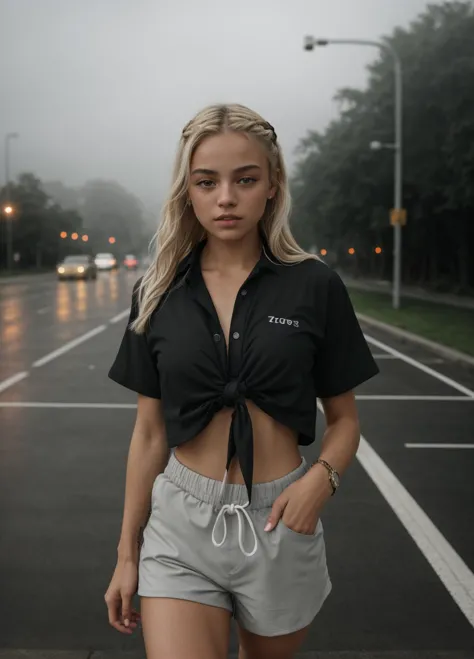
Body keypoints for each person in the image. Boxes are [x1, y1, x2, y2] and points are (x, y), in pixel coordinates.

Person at [104, 103, 379, 659]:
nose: (225, 197)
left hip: (282, 520)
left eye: (245, 179)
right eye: (207, 182)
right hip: (179, 524)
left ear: (272, 184)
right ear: (188, 190)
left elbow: (346, 421)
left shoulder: (315, 285)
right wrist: (127, 555)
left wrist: (318, 483)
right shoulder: (157, 292)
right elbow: (150, 435)